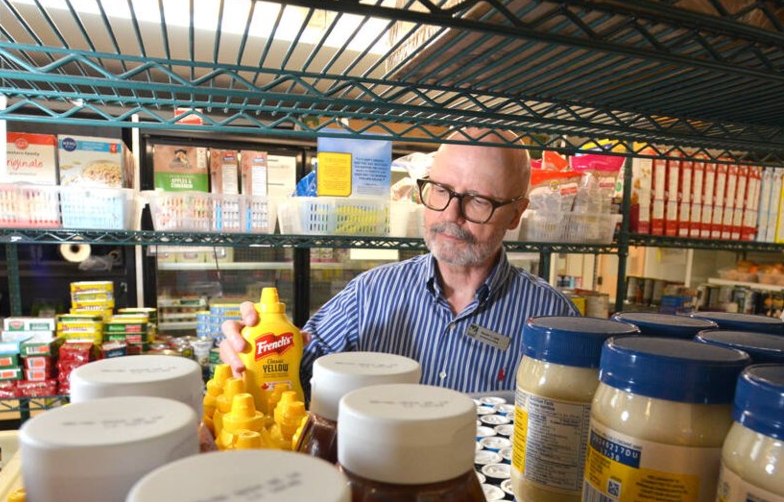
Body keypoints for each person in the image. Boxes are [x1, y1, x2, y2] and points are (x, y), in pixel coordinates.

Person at [220, 128, 581, 394]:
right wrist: (252, 353)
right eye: (440, 190)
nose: (450, 214)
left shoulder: (554, 320)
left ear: (516, 214)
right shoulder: (370, 293)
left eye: (478, 200)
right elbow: (297, 372)